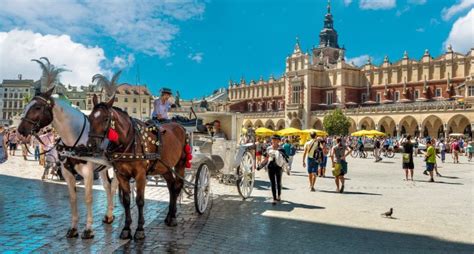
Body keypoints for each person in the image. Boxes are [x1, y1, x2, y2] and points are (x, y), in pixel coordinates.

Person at [261, 135, 288, 205]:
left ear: (279, 141)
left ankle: (279, 195)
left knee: (278, 182)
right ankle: (274, 198)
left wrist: (286, 168)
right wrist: (261, 165)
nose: (274, 141)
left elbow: (285, 159)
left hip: (279, 167)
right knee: (272, 183)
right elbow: (266, 158)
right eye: (273, 140)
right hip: (270, 167)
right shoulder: (268, 148)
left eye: (276, 140)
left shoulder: (281, 149)